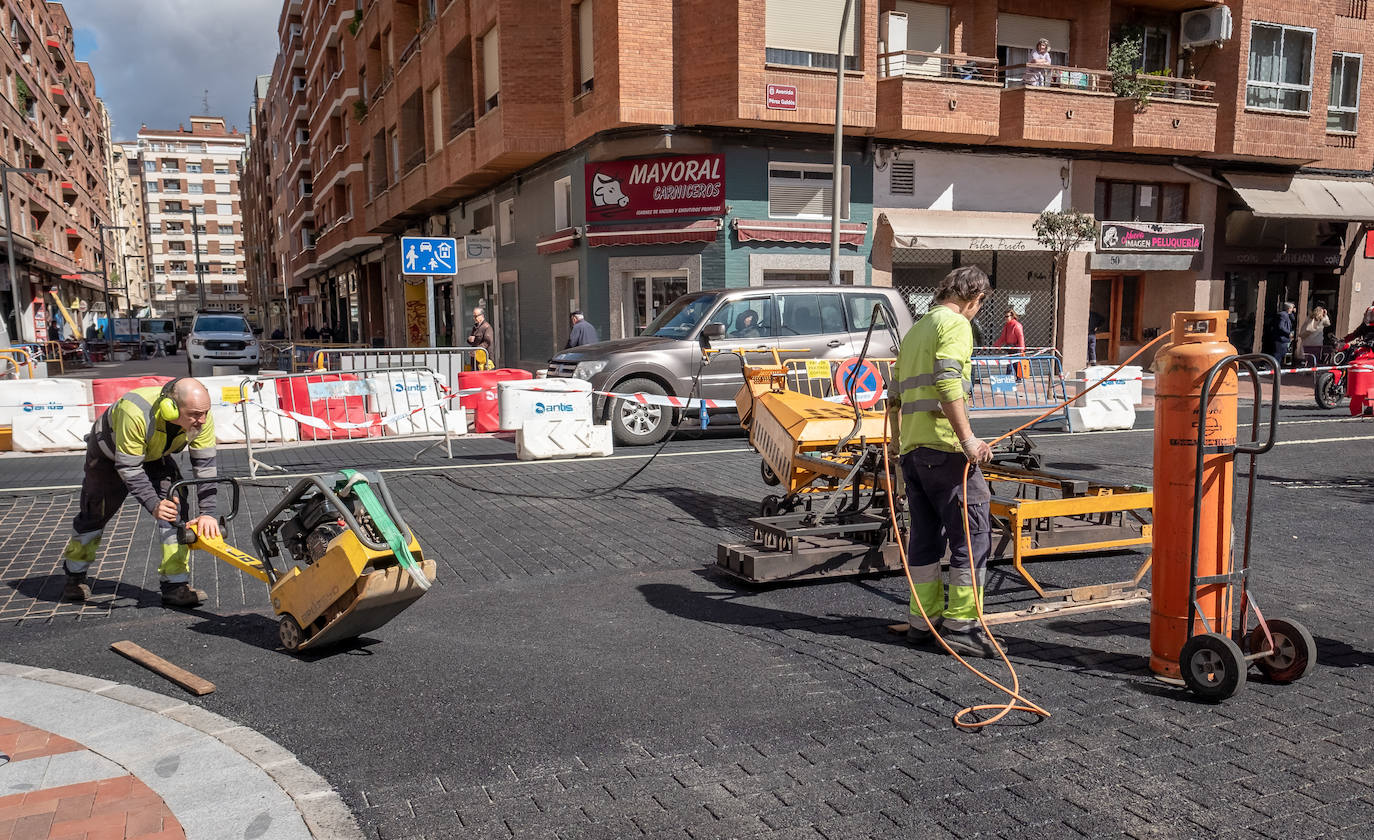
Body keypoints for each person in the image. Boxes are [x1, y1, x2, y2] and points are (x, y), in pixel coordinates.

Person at [891, 266, 997, 659]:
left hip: (914, 454)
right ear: (975, 298)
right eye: (979, 305)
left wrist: (897, 448)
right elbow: (949, 380)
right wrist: (968, 440)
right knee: (972, 537)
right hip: (946, 452)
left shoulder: (915, 331)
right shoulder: (955, 325)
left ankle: (923, 621)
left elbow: (894, 397)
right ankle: (961, 626)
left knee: (924, 539)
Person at [58, 378, 221, 607]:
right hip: (109, 455)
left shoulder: (201, 419)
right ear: (170, 408)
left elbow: (205, 467)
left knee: (175, 510)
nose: (201, 420)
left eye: (205, 412)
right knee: (95, 513)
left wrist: (208, 512)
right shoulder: (134, 413)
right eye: (195, 414)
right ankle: (74, 577)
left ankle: (175, 586)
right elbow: (129, 467)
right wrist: (153, 503)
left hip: (155, 454)